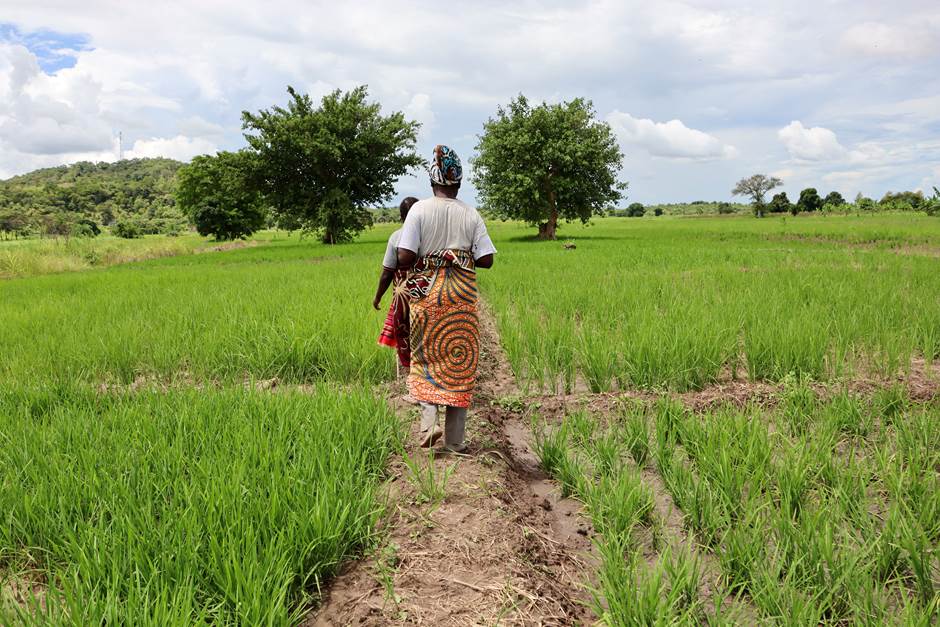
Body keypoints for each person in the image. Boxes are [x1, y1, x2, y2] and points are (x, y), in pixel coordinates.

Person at [396, 145, 496, 452]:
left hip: (427, 295)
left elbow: (405, 255)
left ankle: (430, 424)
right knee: (459, 360)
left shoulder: (419, 211)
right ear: (459, 183)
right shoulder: (471, 213)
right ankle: (455, 442)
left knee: (424, 356)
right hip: (461, 295)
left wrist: (431, 255)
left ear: (431, 182)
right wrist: (457, 255)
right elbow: (487, 259)